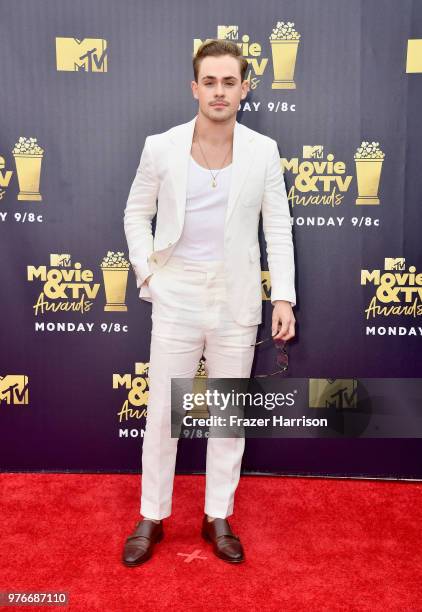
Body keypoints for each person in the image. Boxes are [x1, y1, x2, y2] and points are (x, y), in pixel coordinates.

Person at [122, 38, 296, 566]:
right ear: (195, 87)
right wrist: (148, 273)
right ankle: (152, 515)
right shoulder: (161, 146)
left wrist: (283, 296)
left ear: (244, 88)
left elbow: (278, 228)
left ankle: (217, 513)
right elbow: (135, 214)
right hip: (176, 290)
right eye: (210, 82)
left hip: (237, 294)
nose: (219, 92)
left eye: (230, 82)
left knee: (225, 412)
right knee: (161, 413)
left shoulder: (263, 150)